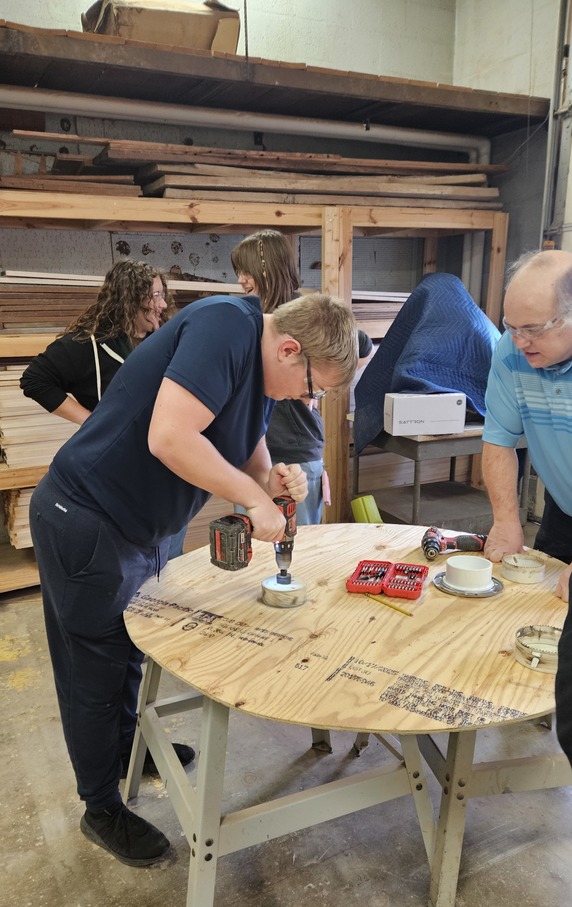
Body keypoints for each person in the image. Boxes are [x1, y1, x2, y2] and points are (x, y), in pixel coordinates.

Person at [29, 290, 359, 868]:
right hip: (88, 517)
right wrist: (253, 498)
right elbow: (170, 437)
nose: (310, 400)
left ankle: (128, 746)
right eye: (313, 387)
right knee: (95, 669)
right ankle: (100, 807)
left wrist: (272, 479)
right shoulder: (224, 327)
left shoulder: (256, 361)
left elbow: (248, 440)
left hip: (141, 527)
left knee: (131, 649)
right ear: (289, 349)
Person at [19, 259, 188, 560]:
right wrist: (90, 421)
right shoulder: (89, 346)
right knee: (131, 570)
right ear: (130, 298)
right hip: (119, 483)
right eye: (155, 296)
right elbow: (35, 380)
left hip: (165, 477)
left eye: (163, 295)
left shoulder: (163, 341)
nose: (163, 305)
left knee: (169, 565)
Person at [231, 229, 373, 524]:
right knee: (252, 545)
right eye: (239, 272)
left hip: (297, 451)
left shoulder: (307, 317)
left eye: (246, 271)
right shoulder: (247, 320)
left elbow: (362, 347)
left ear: (266, 269)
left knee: (299, 547)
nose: (241, 280)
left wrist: (315, 387)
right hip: (251, 453)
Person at [482, 249, 572, 601]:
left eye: (533, 330)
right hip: (565, 509)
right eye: (512, 327)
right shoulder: (511, 350)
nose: (519, 342)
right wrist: (506, 521)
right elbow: (498, 440)